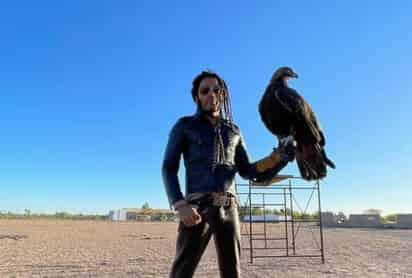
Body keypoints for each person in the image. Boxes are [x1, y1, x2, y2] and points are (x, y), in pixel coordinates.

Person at [162, 70, 295, 278]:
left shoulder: (234, 131)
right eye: (205, 91)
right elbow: (168, 167)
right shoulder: (184, 126)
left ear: (223, 94)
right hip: (196, 208)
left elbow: (248, 171)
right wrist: (180, 204)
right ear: (197, 96)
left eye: (216, 90)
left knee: (232, 272)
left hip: (229, 207)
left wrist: (279, 157)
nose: (211, 95)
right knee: (182, 272)